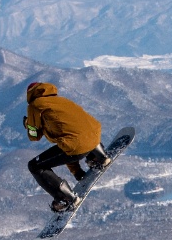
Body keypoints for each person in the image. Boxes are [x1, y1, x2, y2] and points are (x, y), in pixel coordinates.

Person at [24, 81, 110, 212]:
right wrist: (77, 172)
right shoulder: (60, 100)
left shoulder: (35, 105)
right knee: (78, 138)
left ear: (30, 94)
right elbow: (67, 139)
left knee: (35, 166)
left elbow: (34, 135)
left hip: (77, 145)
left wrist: (28, 123)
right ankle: (99, 157)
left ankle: (65, 198)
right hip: (94, 137)